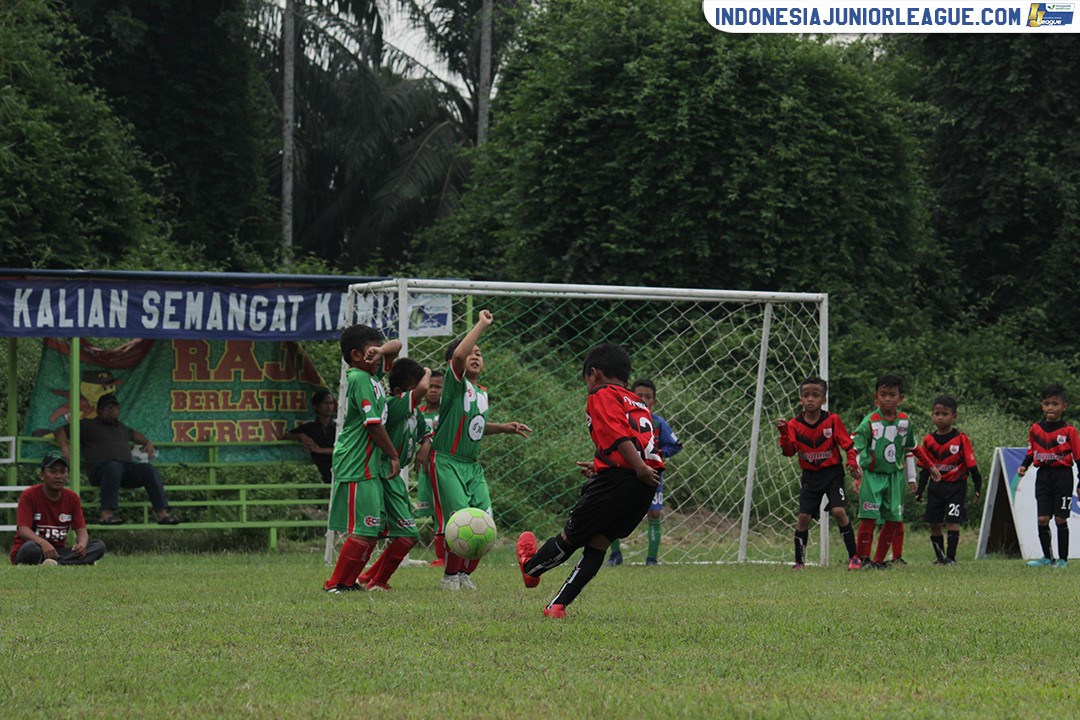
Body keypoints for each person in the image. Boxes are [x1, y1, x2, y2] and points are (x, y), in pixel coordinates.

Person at [515, 342, 662, 618]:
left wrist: (635, 467)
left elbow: (619, 435)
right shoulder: (638, 402)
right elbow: (641, 441)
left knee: (571, 537)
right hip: (643, 486)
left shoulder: (602, 393)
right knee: (599, 543)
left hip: (625, 477)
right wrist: (606, 466)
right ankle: (557, 606)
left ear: (593, 373)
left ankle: (530, 568)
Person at [428, 309, 531, 590]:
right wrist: (481, 324)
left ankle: (465, 574)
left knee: (484, 520)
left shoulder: (481, 392)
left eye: (480, 353)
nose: (475, 356)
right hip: (447, 461)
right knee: (459, 520)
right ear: (454, 363)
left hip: (472, 466)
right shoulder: (454, 385)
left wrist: (504, 428)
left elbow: (475, 426)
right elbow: (459, 357)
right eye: (470, 352)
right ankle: (449, 576)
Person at [323, 326, 403, 593]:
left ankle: (348, 582)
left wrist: (379, 350)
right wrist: (393, 455)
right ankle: (336, 584)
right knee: (366, 528)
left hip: (368, 464)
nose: (378, 355)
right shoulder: (358, 378)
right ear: (356, 355)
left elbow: (398, 345)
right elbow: (372, 424)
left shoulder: (373, 376)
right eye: (371, 350)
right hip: (357, 463)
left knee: (375, 528)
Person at [357, 358, 431, 590]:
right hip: (382, 471)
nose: (419, 395)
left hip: (393, 476)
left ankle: (367, 577)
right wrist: (427, 371)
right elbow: (424, 388)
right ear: (398, 391)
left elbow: (425, 433)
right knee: (406, 534)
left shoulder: (414, 413)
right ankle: (376, 581)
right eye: (413, 390)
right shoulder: (394, 404)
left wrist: (425, 447)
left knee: (397, 533)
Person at [775, 377, 863, 570]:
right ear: (800, 400)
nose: (810, 399)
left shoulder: (832, 420)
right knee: (804, 518)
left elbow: (848, 445)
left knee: (839, 512)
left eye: (815, 395)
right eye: (806, 395)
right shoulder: (793, 425)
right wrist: (783, 433)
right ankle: (799, 561)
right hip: (810, 477)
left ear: (823, 399)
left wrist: (851, 461)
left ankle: (854, 558)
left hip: (832, 474)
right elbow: (789, 451)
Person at [54, 394, 180, 525]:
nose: (111, 411)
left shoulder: (121, 428)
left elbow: (136, 435)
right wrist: (64, 447)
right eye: (107, 408)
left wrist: (148, 442)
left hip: (124, 470)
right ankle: (106, 514)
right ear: (98, 410)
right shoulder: (87, 425)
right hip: (99, 470)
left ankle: (162, 514)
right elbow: (59, 431)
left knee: (148, 469)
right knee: (114, 466)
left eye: (114, 408)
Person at [851, 375, 936, 569]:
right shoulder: (869, 422)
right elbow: (854, 447)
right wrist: (855, 472)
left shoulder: (905, 422)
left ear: (900, 398)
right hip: (872, 475)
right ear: (876, 398)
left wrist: (930, 465)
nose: (887, 399)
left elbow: (912, 447)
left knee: (893, 519)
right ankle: (862, 559)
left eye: (892, 395)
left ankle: (879, 561)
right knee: (869, 517)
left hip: (895, 477)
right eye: (883, 395)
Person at [606, 378, 682, 566]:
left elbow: (675, 445)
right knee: (614, 510)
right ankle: (615, 555)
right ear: (630, 397)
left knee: (654, 514)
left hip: (652, 476)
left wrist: (660, 454)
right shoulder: (623, 421)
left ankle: (652, 559)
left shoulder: (658, 423)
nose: (643, 399)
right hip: (624, 474)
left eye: (648, 397)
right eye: (639, 395)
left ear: (654, 402)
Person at [1017, 383, 1080, 568]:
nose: (1050, 407)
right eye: (1047, 404)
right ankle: (1047, 558)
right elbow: (1031, 451)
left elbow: (1078, 457)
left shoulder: (1069, 431)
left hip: (1063, 477)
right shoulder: (1036, 429)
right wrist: (1023, 466)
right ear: (1042, 406)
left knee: (1061, 518)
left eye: (1055, 404)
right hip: (1043, 476)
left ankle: (1063, 560)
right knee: (1043, 519)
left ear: (1064, 406)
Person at [914, 395, 982, 565]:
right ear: (932, 415)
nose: (940, 417)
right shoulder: (928, 441)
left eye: (945, 414)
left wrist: (977, 487)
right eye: (937, 413)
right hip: (936, 487)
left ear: (954, 417)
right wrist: (920, 490)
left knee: (953, 521)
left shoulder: (961, 439)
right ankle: (940, 558)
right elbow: (924, 468)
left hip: (956, 487)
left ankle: (951, 558)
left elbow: (972, 467)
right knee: (934, 522)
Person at [11, 450, 106, 565]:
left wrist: (82, 544)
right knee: (31, 549)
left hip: (58, 551)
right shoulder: (29, 495)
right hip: (35, 548)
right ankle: (76, 562)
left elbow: (81, 530)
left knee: (98, 546)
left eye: (62, 471)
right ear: (42, 475)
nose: (58, 476)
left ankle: (55, 563)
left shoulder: (72, 498)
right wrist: (42, 542)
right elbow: (23, 530)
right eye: (52, 471)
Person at [414, 370, 444, 565]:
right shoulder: (417, 413)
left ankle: (445, 556)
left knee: (445, 511)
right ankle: (440, 555)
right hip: (426, 471)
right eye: (430, 386)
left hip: (444, 468)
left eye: (438, 387)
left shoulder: (447, 412)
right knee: (435, 514)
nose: (433, 390)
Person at [284, 390, 337, 483]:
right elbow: (285, 436)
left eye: (331, 403)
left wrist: (320, 450)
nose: (329, 407)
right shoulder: (310, 426)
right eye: (325, 403)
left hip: (343, 466)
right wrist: (301, 436)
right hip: (326, 471)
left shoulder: (339, 426)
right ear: (316, 406)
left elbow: (344, 450)